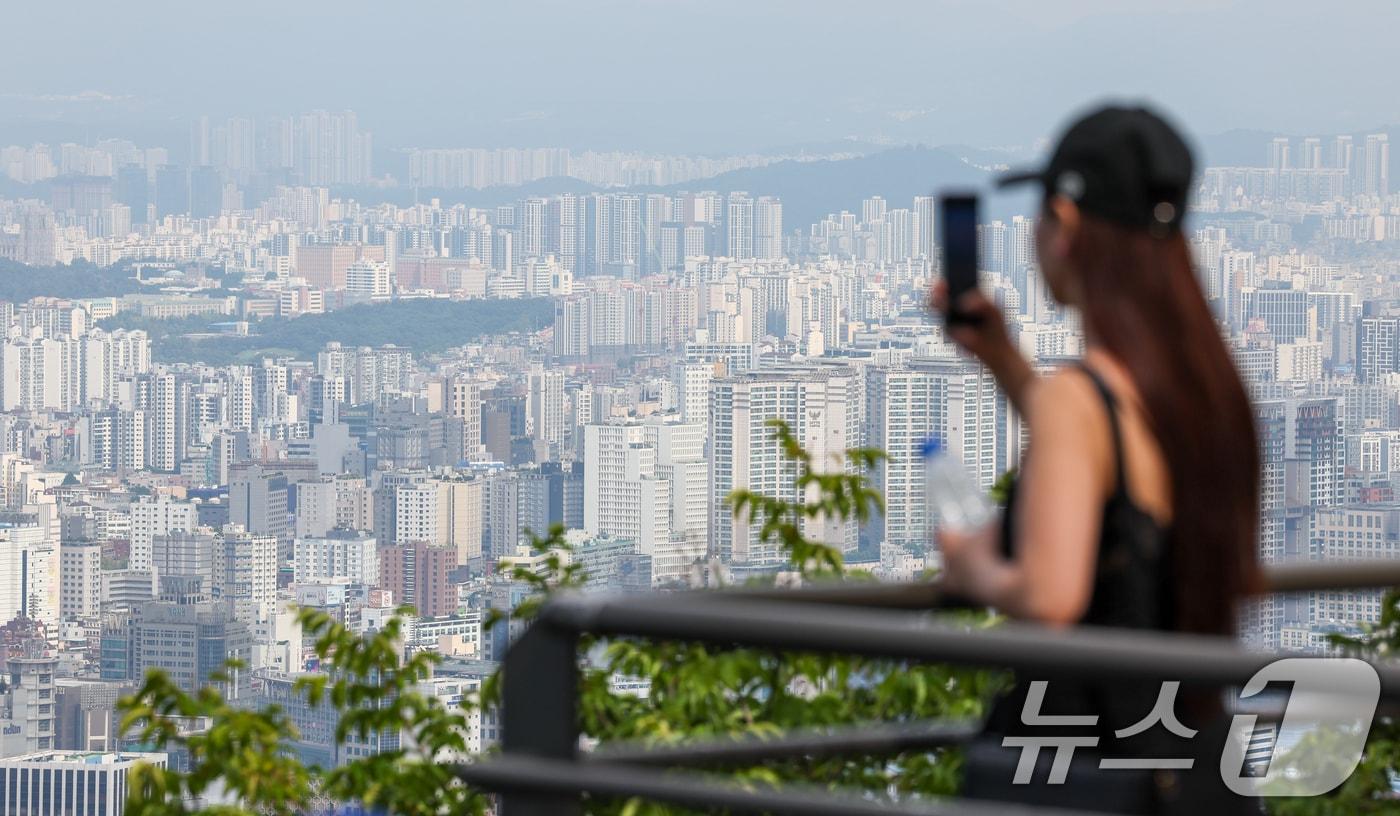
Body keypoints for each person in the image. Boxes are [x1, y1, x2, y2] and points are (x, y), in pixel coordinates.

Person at [930, 104, 1262, 814]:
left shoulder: (1079, 398)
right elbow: (1108, 469)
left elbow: (1050, 598)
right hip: (1194, 758)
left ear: (1065, 223)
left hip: (1082, 766)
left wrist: (971, 566)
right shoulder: (1205, 394)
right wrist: (1006, 363)